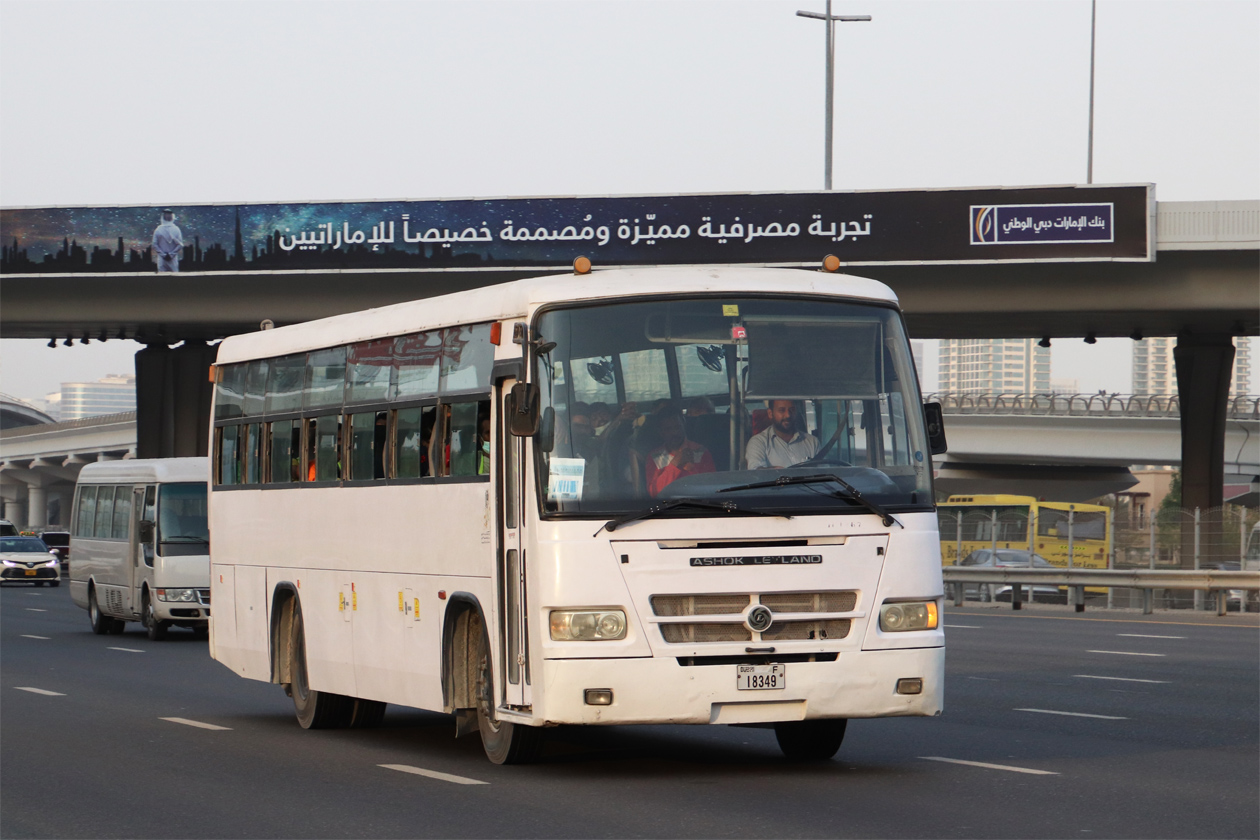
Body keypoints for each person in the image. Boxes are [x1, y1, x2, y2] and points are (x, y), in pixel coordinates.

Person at [646, 406, 715, 497]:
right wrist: (674, 465)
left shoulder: (701, 451)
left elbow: (712, 487)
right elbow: (653, 492)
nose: (674, 433)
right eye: (668, 429)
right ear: (661, 432)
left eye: (677, 427)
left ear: (683, 425)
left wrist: (691, 469)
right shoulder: (654, 457)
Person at [745, 399, 818, 469]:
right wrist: (774, 472)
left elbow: (824, 472)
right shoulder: (758, 442)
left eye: (792, 410)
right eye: (782, 410)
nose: (788, 415)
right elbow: (755, 471)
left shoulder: (812, 442)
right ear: (770, 414)